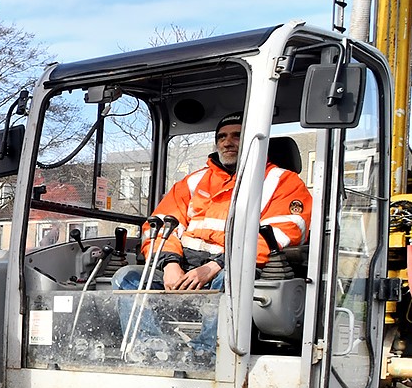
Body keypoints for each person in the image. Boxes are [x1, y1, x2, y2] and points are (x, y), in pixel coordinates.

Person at [114, 113, 312, 356]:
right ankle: (155, 350)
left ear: (254, 140)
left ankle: (204, 355)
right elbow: (160, 227)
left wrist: (214, 267)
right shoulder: (193, 182)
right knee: (127, 278)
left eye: (237, 135)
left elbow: (284, 232)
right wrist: (170, 264)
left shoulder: (283, 182)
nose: (227, 142)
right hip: (184, 270)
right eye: (222, 136)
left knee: (230, 281)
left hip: (232, 270)